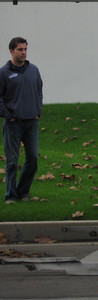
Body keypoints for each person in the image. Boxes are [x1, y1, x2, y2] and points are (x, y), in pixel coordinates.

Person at [0, 37, 43, 204]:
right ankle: (10, 196)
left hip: (31, 122)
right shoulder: (4, 73)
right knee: (12, 161)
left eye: (25, 49)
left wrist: (38, 110)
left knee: (33, 159)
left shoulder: (33, 70)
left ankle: (23, 192)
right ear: (12, 51)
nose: (23, 52)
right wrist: (7, 114)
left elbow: (39, 91)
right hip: (13, 123)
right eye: (20, 50)